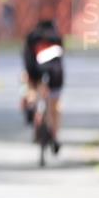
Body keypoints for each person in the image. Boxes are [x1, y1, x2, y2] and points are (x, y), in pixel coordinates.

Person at [22, 18, 64, 153]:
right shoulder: (56, 37)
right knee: (55, 104)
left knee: (32, 89)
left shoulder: (32, 37)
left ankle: (32, 105)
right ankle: (55, 135)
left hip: (35, 71)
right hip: (55, 74)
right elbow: (60, 60)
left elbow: (27, 59)